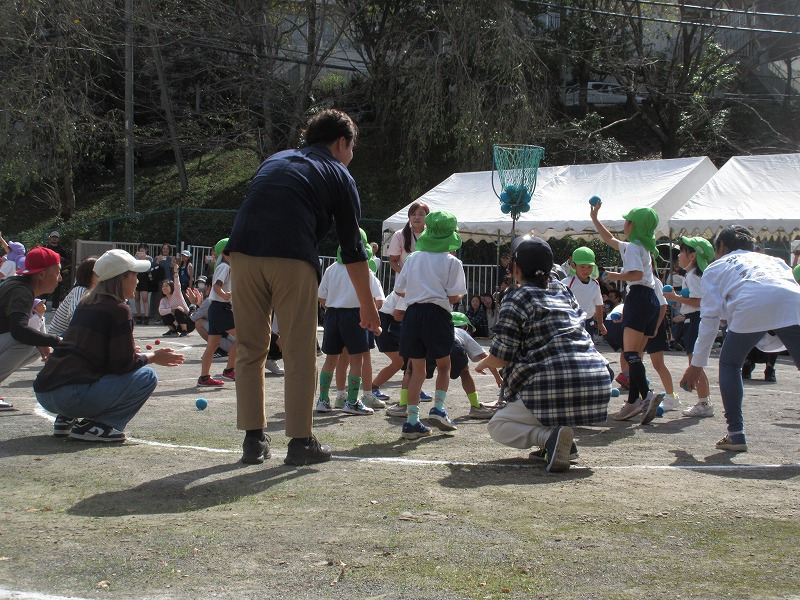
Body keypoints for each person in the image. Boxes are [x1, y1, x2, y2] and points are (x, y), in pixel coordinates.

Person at [226, 109, 381, 466]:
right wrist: (367, 304)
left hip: (241, 254)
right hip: (292, 257)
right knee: (298, 352)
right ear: (341, 143)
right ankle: (300, 442)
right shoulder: (339, 173)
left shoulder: (275, 159)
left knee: (250, 348)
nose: (351, 156)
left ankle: (253, 441)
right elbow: (352, 248)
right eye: (352, 148)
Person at [476, 236, 612, 473]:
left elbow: (501, 356)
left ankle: (548, 438)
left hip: (553, 384)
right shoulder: (562, 290)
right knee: (547, 388)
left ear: (516, 268)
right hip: (596, 383)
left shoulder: (516, 296)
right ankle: (561, 442)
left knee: (498, 425)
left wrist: (483, 363)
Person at [34, 249, 184, 441]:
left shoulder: (85, 303)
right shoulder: (119, 309)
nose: (138, 281)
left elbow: (88, 351)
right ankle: (100, 426)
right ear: (121, 279)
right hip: (71, 396)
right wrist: (154, 357)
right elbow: (122, 365)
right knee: (147, 376)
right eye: (134, 275)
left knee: (89, 370)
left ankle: (65, 418)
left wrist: (126, 352)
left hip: (45, 392)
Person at [680, 225, 800, 452]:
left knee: (730, 364)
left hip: (751, 302)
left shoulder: (716, 267)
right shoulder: (775, 261)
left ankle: (736, 434)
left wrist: (696, 364)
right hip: (793, 302)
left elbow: (710, 319)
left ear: (721, 247)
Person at [394, 210, 467, 440]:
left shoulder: (413, 258)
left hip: (412, 314)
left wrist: (419, 290)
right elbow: (455, 296)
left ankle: (411, 421)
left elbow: (400, 290)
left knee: (417, 369)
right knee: (444, 365)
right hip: (437, 314)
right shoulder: (452, 262)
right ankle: (438, 408)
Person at [590, 201, 663, 425]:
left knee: (630, 354)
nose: (624, 224)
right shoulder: (642, 247)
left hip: (638, 298)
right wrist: (594, 219)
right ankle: (633, 402)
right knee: (635, 356)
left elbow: (635, 274)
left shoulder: (632, 248)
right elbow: (610, 239)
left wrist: (615, 276)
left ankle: (646, 396)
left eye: (627, 221)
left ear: (632, 225)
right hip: (651, 301)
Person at [315, 231, 385, 415]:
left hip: (332, 315)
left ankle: (323, 401)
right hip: (355, 315)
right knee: (356, 360)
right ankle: (352, 402)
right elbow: (376, 300)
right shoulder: (364, 270)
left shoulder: (331, 269)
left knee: (331, 360)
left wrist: (333, 306)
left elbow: (321, 296)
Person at [0, 247, 63, 411]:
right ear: (42, 274)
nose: (60, 278)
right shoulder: (21, 291)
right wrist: (57, 341)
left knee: (36, 345)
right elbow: (19, 331)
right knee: (26, 342)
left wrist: (43, 340)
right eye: (57, 272)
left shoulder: (19, 286)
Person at [663, 236, 716, 418]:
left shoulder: (693, 276)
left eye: (681, 252)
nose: (678, 255)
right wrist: (680, 301)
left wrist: (676, 298)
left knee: (695, 362)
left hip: (695, 320)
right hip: (694, 319)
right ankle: (704, 401)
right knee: (695, 362)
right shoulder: (694, 275)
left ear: (692, 256)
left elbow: (699, 301)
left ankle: (704, 403)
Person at [197, 238, 236, 386]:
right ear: (225, 254)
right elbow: (217, 287)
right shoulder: (225, 267)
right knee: (243, 338)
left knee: (212, 345)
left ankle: (204, 377)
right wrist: (225, 295)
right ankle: (229, 370)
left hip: (215, 309)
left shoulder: (223, 267)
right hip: (221, 309)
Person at [559, 247, 607, 339]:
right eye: (582, 266)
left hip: (588, 322)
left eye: (589, 267)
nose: (586, 270)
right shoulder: (567, 282)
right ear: (574, 266)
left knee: (588, 346)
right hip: (571, 323)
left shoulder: (595, 284)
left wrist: (600, 323)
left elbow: (599, 304)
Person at [48, 256, 98, 337]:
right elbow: (75, 316)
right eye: (98, 273)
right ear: (89, 275)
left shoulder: (90, 292)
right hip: (58, 336)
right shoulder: (80, 290)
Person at [387, 201, 430, 274]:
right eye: (413, 214)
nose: (417, 217)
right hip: (406, 280)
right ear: (409, 218)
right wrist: (405, 275)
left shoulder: (433, 235)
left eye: (421, 214)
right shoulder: (399, 235)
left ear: (428, 217)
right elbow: (393, 261)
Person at [158, 269, 192, 337]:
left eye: (166, 286)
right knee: (166, 313)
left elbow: (177, 284)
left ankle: (184, 331)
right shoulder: (163, 300)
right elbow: (161, 311)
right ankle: (173, 331)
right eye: (163, 286)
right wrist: (173, 308)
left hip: (188, 322)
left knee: (177, 311)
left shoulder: (177, 294)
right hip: (177, 324)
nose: (164, 288)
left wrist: (176, 272)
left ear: (172, 287)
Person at [45, 231, 70, 309]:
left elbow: (67, 260)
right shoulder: (46, 247)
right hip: (47, 270)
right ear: (50, 238)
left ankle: (55, 306)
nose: (54, 239)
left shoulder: (61, 249)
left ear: (58, 239)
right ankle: (42, 305)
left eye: (56, 237)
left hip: (57, 271)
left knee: (57, 288)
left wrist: (59, 257)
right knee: (44, 287)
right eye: (53, 237)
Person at [133, 244, 153, 324]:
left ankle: (146, 316)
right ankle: (139, 316)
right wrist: (136, 257)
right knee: (136, 297)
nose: (142, 251)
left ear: (146, 250)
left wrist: (144, 259)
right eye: (140, 249)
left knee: (145, 298)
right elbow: (133, 267)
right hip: (137, 277)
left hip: (145, 278)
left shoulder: (149, 258)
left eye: (143, 249)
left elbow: (150, 269)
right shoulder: (135, 258)